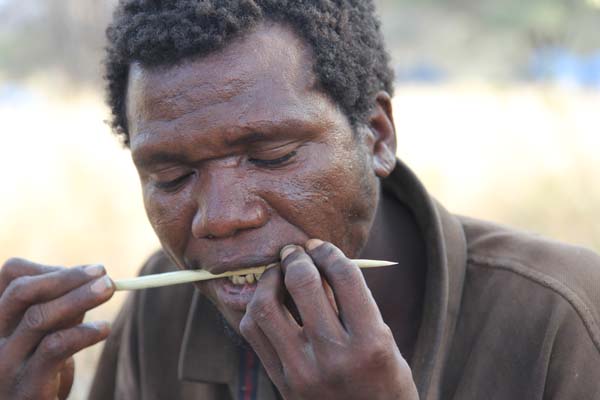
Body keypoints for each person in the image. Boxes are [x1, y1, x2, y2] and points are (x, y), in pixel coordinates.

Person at [1, 1, 599, 399]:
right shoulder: (162, 313)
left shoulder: (566, 320)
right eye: (173, 175)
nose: (221, 217)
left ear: (376, 136)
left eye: (272, 156)